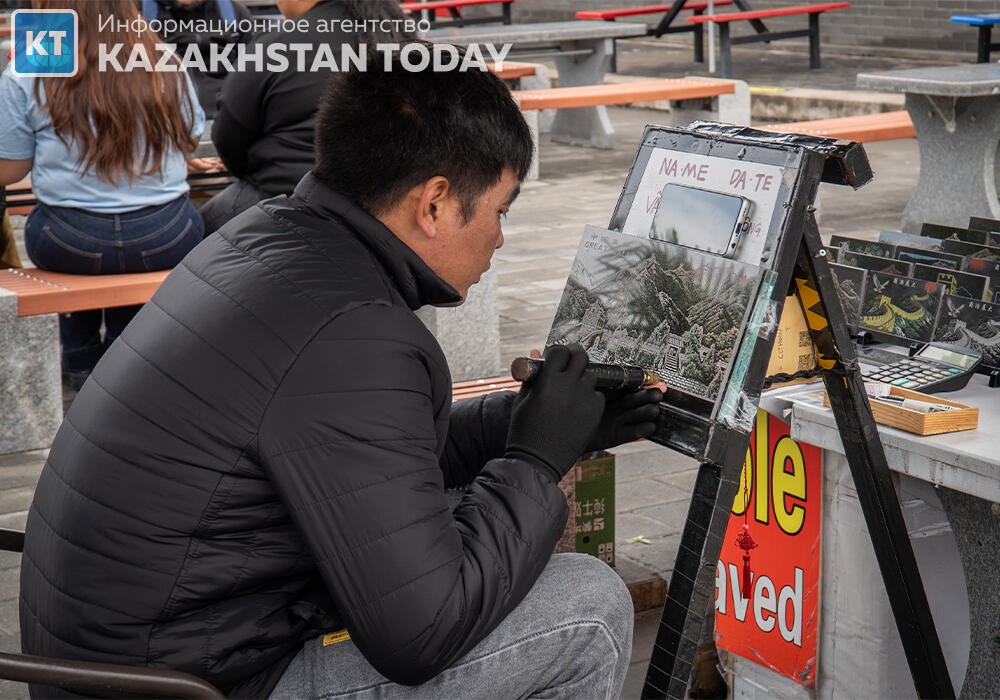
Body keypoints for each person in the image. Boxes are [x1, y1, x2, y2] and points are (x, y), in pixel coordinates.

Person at [19, 47, 664, 698]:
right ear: (434, 202)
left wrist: (529, 426)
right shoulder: (352, 331)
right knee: (586, 604)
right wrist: (533, 463)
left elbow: (376, 457)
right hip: (190, 682)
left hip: (128, 654)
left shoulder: (269, 239)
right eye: (500, 210)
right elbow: (425, 632)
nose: (500, 238)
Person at [0, 0, 205, 387]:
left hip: (67, 242)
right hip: (168, 234)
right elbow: (191, 140)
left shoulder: (30, 66)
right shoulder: (164, 59)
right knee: (143, 257)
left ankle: (78, 356)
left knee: (55, 235)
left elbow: (10, 171)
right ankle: (124, 350)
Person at [199, 0, 409, 233]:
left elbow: (229, 139)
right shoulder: (395, 29)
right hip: (389, 199)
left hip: (288, 199)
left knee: (200, 228)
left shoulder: (278, 45)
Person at [139, 0, 255, 119]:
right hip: (163, 123)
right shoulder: (137, 14)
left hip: (223, 122)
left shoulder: (235, 16)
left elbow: (252, 81)